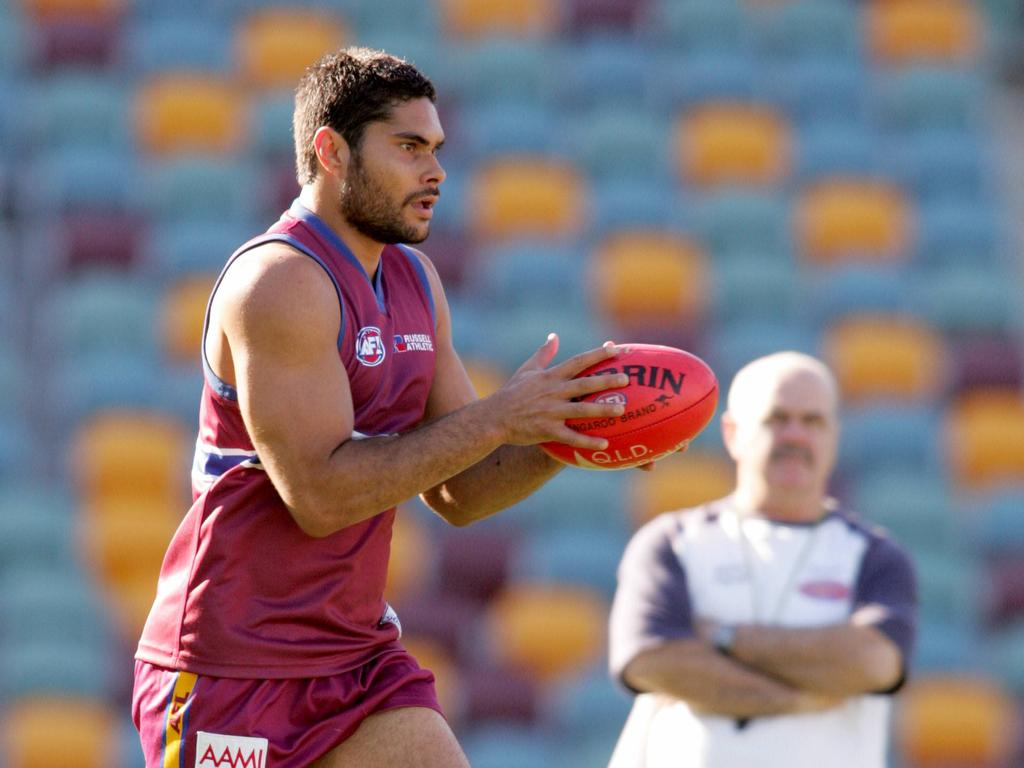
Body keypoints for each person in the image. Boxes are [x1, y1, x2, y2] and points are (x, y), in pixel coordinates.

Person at [131, 47, 633, 768]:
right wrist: (501, 415)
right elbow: (322, 496)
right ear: (330, 151)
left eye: (436, 149)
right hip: (231, 668)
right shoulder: (278, 283)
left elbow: (462, 489)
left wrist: (577, 427)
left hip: (356, 661)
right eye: (407, 147)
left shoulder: (414, 280)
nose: (436, 173)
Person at [607, 351, 918, 768]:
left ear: (834, 436)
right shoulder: (671, 541)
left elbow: (872, 662)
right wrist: (805, 694)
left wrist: (722, 639)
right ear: (732, 433)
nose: (795, 436)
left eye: (813, 421)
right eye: (776, 419)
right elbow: (651, 662)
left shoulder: (875, 555)